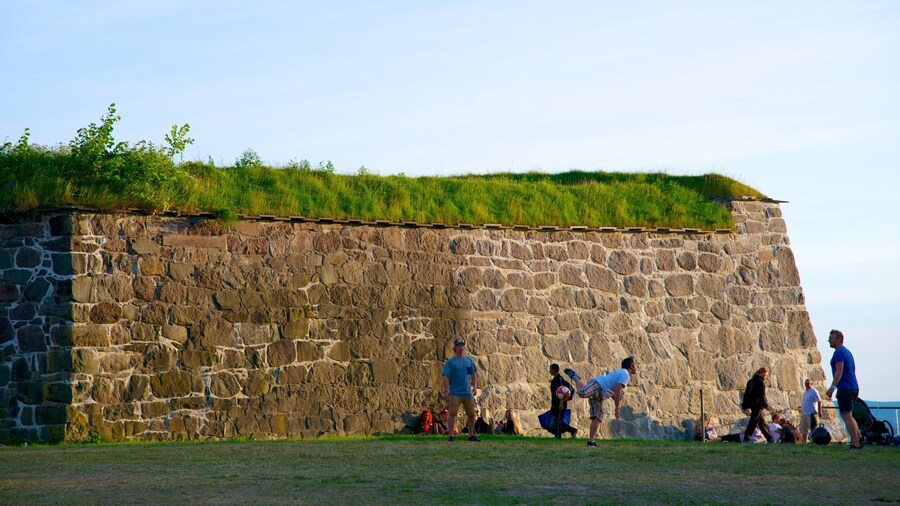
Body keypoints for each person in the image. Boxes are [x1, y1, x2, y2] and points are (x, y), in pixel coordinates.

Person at [564, 356, 637, 447]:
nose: (636, 367)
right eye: (635, 364)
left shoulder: (622, 374)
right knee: (582, 393)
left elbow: (615, 392)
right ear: (631, 366)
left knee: (597, 417)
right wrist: (617, 408)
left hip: (601, 394)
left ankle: (591, 441)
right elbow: (618, 390)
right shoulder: (625, 374)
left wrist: (617, 397)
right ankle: (575, 377)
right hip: (598, 384)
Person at [826, 329, 862, 450]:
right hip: (853, 387)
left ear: (839, 339)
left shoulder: (839, 353)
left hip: (845, 388)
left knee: (846, 416)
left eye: (831, 338)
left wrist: (832, 387)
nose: (829, 340)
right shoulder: (847, 352)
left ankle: (856, 444)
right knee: (850, 416)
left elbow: (839, 369)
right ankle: (859, 438)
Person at [442, 337, 480, 442]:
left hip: (467, 392)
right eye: (458, 346)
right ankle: (450, 435)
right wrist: (445, 391)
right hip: (455, 392)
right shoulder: (451, 362)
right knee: (452, 413)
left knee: (472, 414)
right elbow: (445, 376)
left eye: (462, 346)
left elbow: (473, 374)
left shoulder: (468, 361)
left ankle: (471, 435)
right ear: (455, 348)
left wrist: (475, 386)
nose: (460, 348)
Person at [741, 367, 773, 443]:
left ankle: (770, 440)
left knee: (762, 424)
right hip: (758, 405)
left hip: (752, 405)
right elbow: (761, 395)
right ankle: (746, 439)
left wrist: (744, 406)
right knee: (753, 423)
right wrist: (766, 406)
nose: (765, 377)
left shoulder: (751, 381)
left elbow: (746, 394)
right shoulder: (760, 382)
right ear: (763, 373)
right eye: (765, 375)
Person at [549, 364, 577, 438]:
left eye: (551, 369)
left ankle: (557, 436)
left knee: (558, 420)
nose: (549, 371)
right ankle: (572, 430)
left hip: (561, 403)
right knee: (557, 420)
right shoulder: (553, 381)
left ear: (554, 370)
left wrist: (561, 403)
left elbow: (562, 391)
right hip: (555, 404)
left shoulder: (559, 379)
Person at [799, 378, 822, 444]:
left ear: (811, 384)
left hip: (811, 413)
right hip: (804, 413)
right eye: (806, 384)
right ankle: (804, 443)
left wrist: (820, 411)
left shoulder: (814, 391)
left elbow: (819, 401)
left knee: (813, 429)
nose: (807, 385)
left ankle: (815, 442)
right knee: (804, 430)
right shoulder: (806, 392)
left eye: (808, 383)